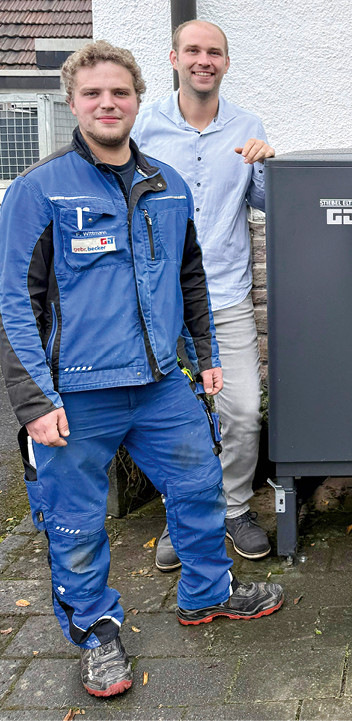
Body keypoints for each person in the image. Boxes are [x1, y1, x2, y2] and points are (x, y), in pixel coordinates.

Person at [0, 41, 283, 698]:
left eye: (119, 93)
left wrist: (205, 355)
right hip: (75, 392)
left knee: (199, 489)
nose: (107, 104)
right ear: (73, 102)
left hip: (160, 385)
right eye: (94, 93)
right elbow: (14, 299)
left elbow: (190, 278)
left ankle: (207, 593)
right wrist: (33, 400)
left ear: (135, 100)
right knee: (73, 522)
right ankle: (96, 631)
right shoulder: (38, 191)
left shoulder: (167, 185)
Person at [131, 20, 275, 567]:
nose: (203, 60)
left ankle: (235, 507)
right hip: (160, 301)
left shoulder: (246, 124)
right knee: (173, 416)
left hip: (226, 295)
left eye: (213, 52)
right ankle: (184, 514)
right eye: (193, 50)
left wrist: (267, 167)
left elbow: (263, 203)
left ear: (226, 62)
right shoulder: (144, 127)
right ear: (173, 57)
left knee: (240, 410)